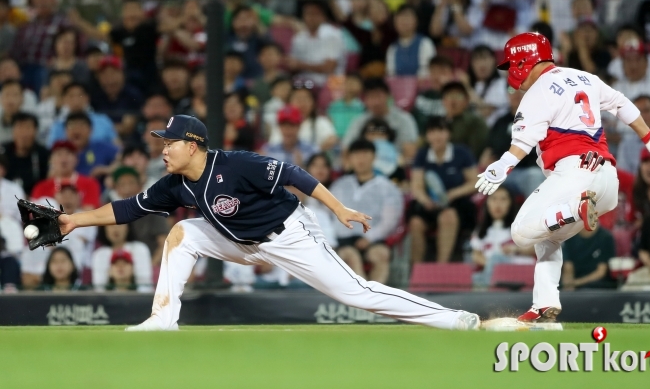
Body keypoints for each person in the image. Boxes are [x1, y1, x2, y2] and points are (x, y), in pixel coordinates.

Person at [56, 115, 481, 331]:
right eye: (162, 143)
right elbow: (127, 208)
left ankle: (452, 318)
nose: (163, 149)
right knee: (182, 234)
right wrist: (74, 219)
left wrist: (339, 209)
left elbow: (295, 175)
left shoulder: (236, 164)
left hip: (288, 234)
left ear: (193, 145)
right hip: (238, 242)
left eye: (169, 143)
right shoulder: (173, 185)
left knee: (356, 293)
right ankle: (162, 320)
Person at [476, 32, 650, 323]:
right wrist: (648, 135)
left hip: (575, 175)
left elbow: (524, 140)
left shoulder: (537, 93)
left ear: (524, 60)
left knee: (520, 232)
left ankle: (574, 209)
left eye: (511, 64)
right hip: (607, 180)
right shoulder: (585, 77)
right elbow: (621, 103)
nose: (510, 71)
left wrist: (502, 165)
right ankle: (544, 305)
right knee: (547, 238)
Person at [330, 139, 403, 284]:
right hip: (343, 240)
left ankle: (376, 299)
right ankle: (363, 300)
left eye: (365, 154)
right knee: (350, 256)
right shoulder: (339, 186)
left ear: (374, 156)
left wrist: (369, 237)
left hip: (373, 238)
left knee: (381, 255)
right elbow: (330, 215)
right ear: (350, 158)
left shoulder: (387, 187)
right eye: (356, 154)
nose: (360, 159)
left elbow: (389, 220)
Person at [408, 117, 478, 263]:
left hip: (457, 203)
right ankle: (416, 271)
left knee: (447, 216)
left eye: (441, 131)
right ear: (427, 136)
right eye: (432, 132)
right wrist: (425, 201)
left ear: (448, 134)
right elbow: (417, 185)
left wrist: (453, 194)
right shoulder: (422, 155)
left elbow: (474, 182)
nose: (437, 136)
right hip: (430, 203)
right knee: (415, 222)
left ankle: (441, 266)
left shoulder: (461, 153)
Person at [480, 84, 543, 196]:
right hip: (503, 172)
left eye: (521, 90)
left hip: (528, 170)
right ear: (506, 94)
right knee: (484, 178)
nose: (516, 94)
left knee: (535, 176)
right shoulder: (500, 122)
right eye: (511, 90)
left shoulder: (537, 118)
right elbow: (489, 149)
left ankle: (534, 213)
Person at [470, 186, 535, 287]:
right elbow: (476, 255)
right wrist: (493, 265)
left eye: (503, 199)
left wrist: (515, 249)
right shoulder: (480, 231)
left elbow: (536, 248)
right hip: (493, 272)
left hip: (519, 271)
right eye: (494, 199)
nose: (498, 204)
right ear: (487, 203)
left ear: (511, 203)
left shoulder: (522, 226)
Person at [343, 78, 419, 163]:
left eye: (378, 96)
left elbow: (410, 152)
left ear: (388, 96)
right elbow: (346, 149)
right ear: (365, 100)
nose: (375, 102)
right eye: (371, 97)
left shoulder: (404, 120)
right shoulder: (359, 121)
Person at [111, 166, 170, 265]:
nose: (127, 188)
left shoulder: (153, 210)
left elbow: (164, 243)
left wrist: (150, 268)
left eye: (131, 183)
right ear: (116, 189)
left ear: (140, 187)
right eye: (122, 184)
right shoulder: (113, 212)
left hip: (151, 267)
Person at [287, 0, 344, 85]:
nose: (311, 18)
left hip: (330, 83)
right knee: (289, 86)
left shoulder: (332, 35)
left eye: (314, 14)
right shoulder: (299, 38)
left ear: (323, 16)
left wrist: (300, 65)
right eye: (308, 14)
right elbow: (293, 66)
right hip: (306, 83)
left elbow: (329, 68)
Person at [31, 141, 101, 210]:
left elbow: (91, 212)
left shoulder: (90, 184)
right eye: (59, 154)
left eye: (68, 154)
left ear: (76, 159)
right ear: (51, 160)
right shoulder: (41, 188)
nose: (64, 159)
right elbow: (33, 214)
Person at [269, 85, 337, 151]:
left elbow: (332, 139)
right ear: (289, 102)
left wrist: (311, 154)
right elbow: (273, 147)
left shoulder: (321, 121)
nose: (302, 103)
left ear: (313, 103)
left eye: (306, 99)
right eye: (298, 99)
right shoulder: (282, 123)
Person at [92, 224, 152, 292]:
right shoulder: (99, 254)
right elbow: (99, 289)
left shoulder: (140, 249)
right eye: (111, 225)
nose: (115, 229)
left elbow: (145, 286)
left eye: (119, 224)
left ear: (128, 227)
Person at [1, 112, 50, 193]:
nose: (23, 133)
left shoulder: (44, 154)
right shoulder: (3, 151)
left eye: (27, 127)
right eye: (19, 127)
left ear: (36, 131)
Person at [63, 111, 119, 179]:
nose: (77, 130)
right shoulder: (60, 153)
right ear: (65, 131)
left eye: (81, 126)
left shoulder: (100, 147)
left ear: (91, 130)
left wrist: (107, 169)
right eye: (72, 126)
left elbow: (124, 156)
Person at [385, 4, 436, 78]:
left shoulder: (425, 43)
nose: (404, 21)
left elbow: (426, 72)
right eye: (401, 18)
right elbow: (391, 74)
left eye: (408, 17)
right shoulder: (392, 48)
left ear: (416, 21)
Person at [441, 81, 488, 158]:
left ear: (467, 100)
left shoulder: (475, 122)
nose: (453, 101)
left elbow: (475, 151)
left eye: (458, 96)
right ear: (443, 100)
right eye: (449, 95)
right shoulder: (439, 122)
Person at [561, 225, 616, 290]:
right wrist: (567, 285)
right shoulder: (570, 237)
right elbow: (568, 267)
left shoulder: (605, 237)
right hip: (575, 282)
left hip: (598, 284)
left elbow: (601, 272)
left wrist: (575, 283)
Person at [466, 45, 508, 127]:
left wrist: (466, 86)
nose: (481, 64)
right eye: (477, 59)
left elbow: (485, 111)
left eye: (485, 58)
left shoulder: (501, 84)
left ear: (493, 61)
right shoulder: (473, 85)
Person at [327, 73, 365, 139]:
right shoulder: (334, 105)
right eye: (348, 82)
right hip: (335, 140)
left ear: (360, 87)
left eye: (354, 82)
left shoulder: (362, 107)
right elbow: (329, 124)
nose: (350, 84)